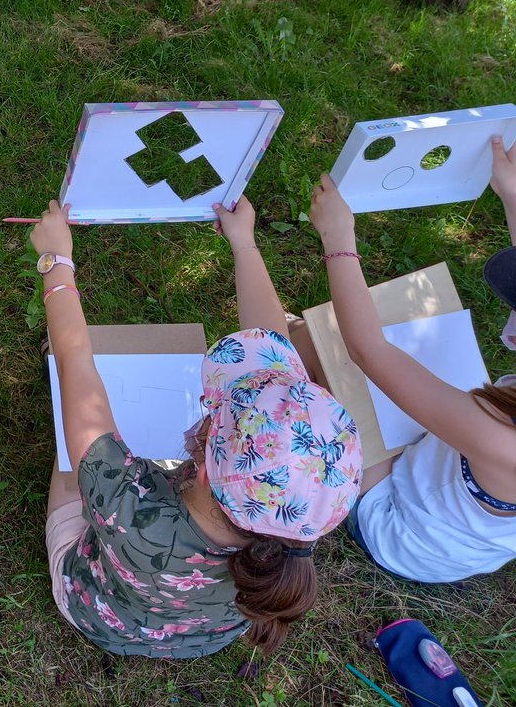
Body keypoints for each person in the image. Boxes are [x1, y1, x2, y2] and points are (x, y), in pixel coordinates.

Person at [37, 197, 362, 658]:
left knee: (70, 468)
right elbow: (271, 345)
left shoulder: (127, 504)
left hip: (97, 611)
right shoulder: (291, 526)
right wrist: (244, 244)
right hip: (202, 639)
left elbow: (75, 369)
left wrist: (56, 263)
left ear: (206, 467)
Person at [309, 147, 516, 583]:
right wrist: (511, 194)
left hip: (401, 529)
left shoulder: (505, 443)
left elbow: (369, 350)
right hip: (451, 491)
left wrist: (338, 241)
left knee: (319, 356)